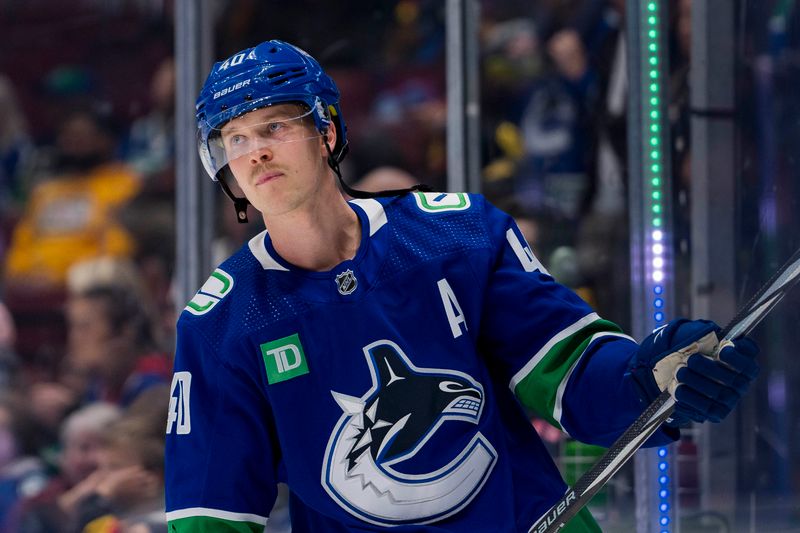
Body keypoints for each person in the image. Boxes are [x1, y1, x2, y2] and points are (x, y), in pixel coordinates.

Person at [165, 40, 760, 532]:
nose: (255, 151)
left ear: (326, 131)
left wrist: (649, 379)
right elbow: (211, 513)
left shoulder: (456, 236)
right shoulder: (220, 324)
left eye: (274, 124)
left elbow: (569, 373)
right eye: (234, 138)